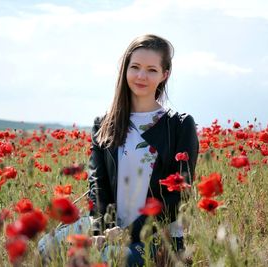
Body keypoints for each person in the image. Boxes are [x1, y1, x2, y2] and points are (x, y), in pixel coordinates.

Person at [88, 34, 199, 266]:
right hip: (113, 232)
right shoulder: (104, 124)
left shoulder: (178, 126)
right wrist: (100, 231)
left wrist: (128, 232)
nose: (141, 76)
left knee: (117, 262)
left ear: (164, 75)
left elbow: (178, 196)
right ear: (125, 69)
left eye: (151, 70)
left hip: (160, 237)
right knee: (47, 248)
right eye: (135, 67)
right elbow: (98, 186)